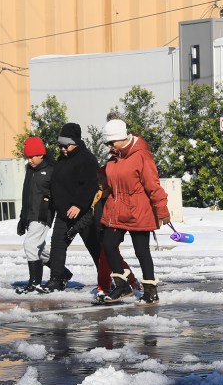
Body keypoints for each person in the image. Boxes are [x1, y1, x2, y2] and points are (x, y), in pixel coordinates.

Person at [99, 118, 170, 304]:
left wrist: (161, 209)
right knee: (108, 244)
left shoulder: (141, 156)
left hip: (139, 211)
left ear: (122, 138)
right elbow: (110, 179)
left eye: (111, 142)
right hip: (117, 210)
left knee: (142, 251)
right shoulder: (114, 159)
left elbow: (153, 185)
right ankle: (122, 286)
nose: (109, 146)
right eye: (107, 143)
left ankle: (150, 291)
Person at [65, 166, 140, 303]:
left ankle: (104, 288)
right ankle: (132, 281)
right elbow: (90, 216)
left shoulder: (112, 197)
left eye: (102, 179)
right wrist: (75, 228)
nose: (98, 182)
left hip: (112, 234)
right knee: (117, 260)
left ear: (110, 180)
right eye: (97, 179)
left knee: (103, 262)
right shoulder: (99, 196)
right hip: (102, 235)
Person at [42, 122, 98, 291]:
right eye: (61, 146)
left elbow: (90, 185)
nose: (63, 149)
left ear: (76, 143)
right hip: (63, 213)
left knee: (95, 247)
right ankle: (56, 279)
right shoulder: (62, 160)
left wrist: (78, 205)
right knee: (58, 244)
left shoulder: (86, 159)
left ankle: (109, 279)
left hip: (82, 213)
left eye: (67, 146)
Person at [15, 136, 56, 294]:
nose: (29, 160)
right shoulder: (30, 170)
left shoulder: (52, 170)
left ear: (41, 154)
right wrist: (22, 218)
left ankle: (35, 282)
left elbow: (58, 194)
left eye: (32, 156)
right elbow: (26, 194)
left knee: (30, 245)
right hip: (30, 215)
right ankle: (62, 272)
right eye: (27, 157)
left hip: (43, 215)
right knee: (39, 249)